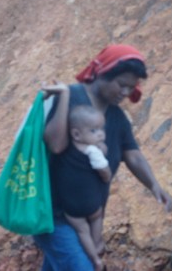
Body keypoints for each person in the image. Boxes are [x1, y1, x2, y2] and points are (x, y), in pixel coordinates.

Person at [34, 44, 172, 271]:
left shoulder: (117, 117)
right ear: (103, 73)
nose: (126, 92)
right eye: (121, 84)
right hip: (55, 217)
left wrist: (153, 184)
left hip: (86, 218)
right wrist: (65, 97)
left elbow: (132, 154)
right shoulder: (69, 96)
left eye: (131, 87)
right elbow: (56, 145)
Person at [62, 105, 112, 271]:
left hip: (69, 206)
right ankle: (97, 247)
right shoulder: (92, 150)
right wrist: (107, 176)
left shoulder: (66, 148)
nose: (100, 134)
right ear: (76, 134)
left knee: (82, 231)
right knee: (96, 218)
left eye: (101, 129)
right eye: (93, 131)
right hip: (89, 202)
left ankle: (93, 258)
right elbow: (103, 171)